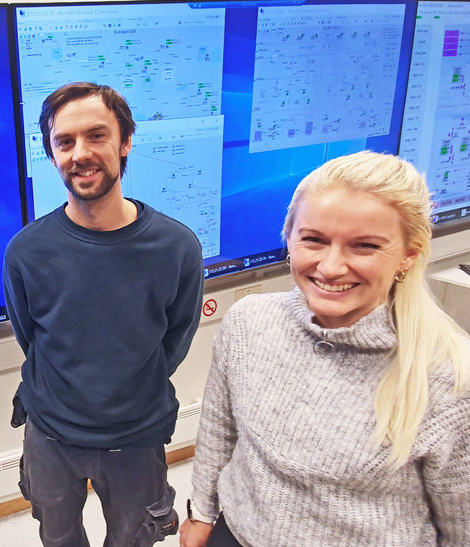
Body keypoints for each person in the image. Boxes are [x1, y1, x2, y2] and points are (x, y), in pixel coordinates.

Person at [180, 151, 470, 547]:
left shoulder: (448, 378)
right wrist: (202, 512)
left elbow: (461, 523)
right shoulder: (248, 323)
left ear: (409, 254)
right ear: (289, 238)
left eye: (364, 246)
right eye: (314, 240)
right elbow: (218, 428)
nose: (331, 267)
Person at [3, 82, 204, 546]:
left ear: (125, 141)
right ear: (52, 155)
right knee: (58, 538)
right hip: (50, 434)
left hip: (136, 434)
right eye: (65, 142)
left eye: (96, 136)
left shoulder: (176, 248)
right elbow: (29, 335)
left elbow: (175, 340)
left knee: (134, 540)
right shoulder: (27, 251)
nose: (80, 154)